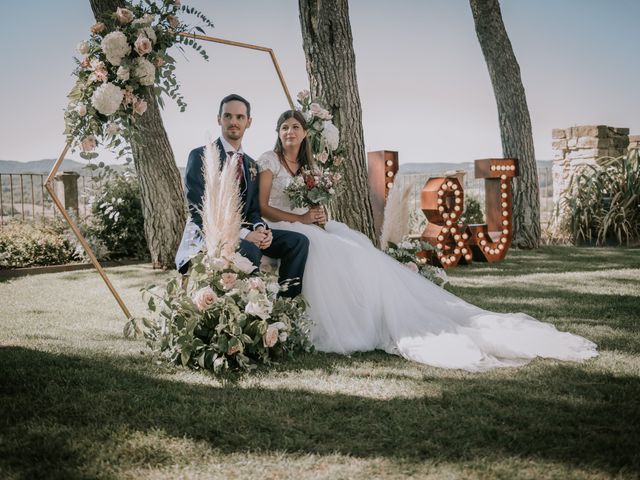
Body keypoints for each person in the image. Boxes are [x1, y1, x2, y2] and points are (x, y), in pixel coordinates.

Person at [256, 110, 598, 370]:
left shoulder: (309, 167)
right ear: (278, 133)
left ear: (304, 134)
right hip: (284, 226)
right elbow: (264, 206)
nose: (290, 132)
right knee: (328, 250)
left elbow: (311, 202)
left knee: (356, 249)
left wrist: (316, 215)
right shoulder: (269, 161)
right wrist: (302, 219)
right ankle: (321, 320)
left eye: (295, 127)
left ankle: (371, 314)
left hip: (307, 223)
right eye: (284, 127)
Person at [175, 95, 309, 297]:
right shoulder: (200, 155)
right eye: (228, 116)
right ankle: (251, 311)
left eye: (239, 117)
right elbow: (198, 212)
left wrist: (261, 230)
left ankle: (287, 305)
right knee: (249, 249)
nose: (233, 122)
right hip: (208, 234)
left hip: (244, 231)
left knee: (298, 242)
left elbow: (254, 210)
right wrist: (246, 235)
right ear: (219, 119)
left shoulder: (252, 165)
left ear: (249, 122)